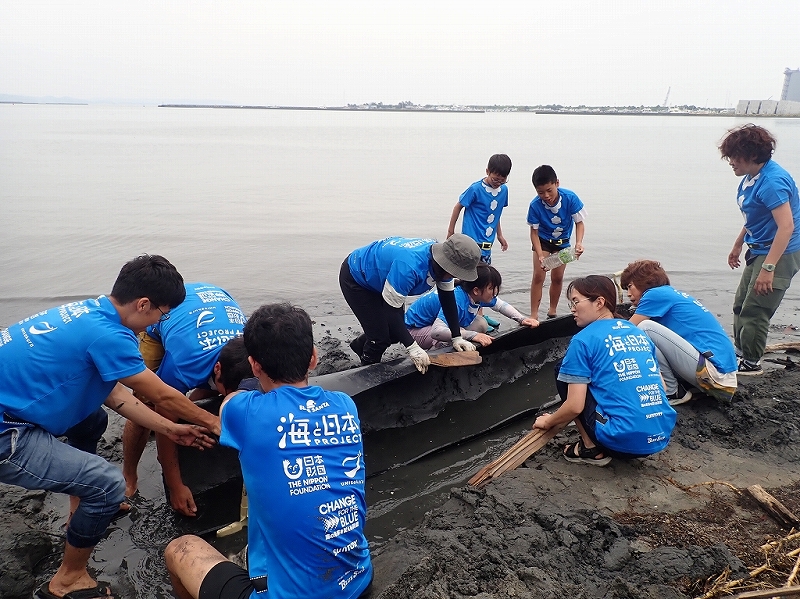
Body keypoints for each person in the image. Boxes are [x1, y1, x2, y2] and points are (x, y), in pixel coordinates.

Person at [0, 255, 218, 599]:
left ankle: (78, 505)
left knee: (93, 419)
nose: (159, 322)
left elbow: (115, 396)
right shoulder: (111, 336)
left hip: (11, 404)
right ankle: (67, 581)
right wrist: (214, 422)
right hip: (7, 432)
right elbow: (162, 394)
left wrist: (170, 429)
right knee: (106, 485)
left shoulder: (89, 311)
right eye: (161, 314)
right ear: (143, 304)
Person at [165, 303, 373, 599]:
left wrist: (248, 385)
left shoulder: (243, 411)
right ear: (313, 358)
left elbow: (228, 401)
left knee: (180, 548)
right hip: (358, 579)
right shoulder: (345, 405)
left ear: (255, 365)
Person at [122, 282, 250, 517]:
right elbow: (164, 411)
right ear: (217, 369)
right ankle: (129, 477)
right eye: (227, 391)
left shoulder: (257, 359)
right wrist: (176, 486)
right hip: (164, 319)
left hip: (214, 299)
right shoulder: (182, 366)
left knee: (210, 393)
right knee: (145, 407)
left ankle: (194, 405)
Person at [533, 275, 677, 466]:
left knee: (564, 369)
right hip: (660, 435)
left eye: (576, 301)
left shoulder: (582, 340)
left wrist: (549, 421)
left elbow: (575, 406)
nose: (572, 309)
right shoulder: (637, 332)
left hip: (621, 443)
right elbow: (663, 387)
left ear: (599, 302)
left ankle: (590, 448)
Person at [719, 124, 800, 375]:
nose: (730, 162)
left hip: (781, 252)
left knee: (755, 309)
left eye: (735, 156)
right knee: (740, 303)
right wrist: (738, 243)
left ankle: (752, 363)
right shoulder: (751, 177)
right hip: (759, 247)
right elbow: (755, 217)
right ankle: (740, 353)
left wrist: (769, 268)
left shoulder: (772, 182)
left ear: (753, 155)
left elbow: (786, 227)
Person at [340, 234, 481, 373]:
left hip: (383, 278)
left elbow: (448, 300)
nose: (456, 276)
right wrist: (413, 348)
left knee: (396, 332)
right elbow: (391, 312)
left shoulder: (443, 265)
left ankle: (359, 345)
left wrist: (456, 337)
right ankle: (367, 372)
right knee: (379, 338)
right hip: (357, 276)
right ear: (447, 265)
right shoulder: (409, 268)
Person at [620, 260, 738, 406]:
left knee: (645, 328)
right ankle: (681, 386)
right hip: (723, 374)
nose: (628, 294)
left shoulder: (654, 294)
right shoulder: (670, 294)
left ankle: (672, 391)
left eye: (630, 287)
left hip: (716, 375)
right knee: (648, 332)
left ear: (644, 281)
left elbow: (627, 331)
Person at [405, 263, 539, 349]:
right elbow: (436, 331)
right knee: (456, 336)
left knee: (481, 323)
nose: (495, 292)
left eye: (496, 287)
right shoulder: (457, 300)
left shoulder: (475, 294)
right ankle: (436, 356)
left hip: (435, 324)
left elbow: (500, 305)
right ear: (476, 290)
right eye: (491, 288)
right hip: (414, 330)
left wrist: (522, 319)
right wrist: (472, 335)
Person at [527, 165, 587, 319]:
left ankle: (552, 311)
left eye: (549, 190)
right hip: (543, 241)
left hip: (563, 242)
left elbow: (579, 223)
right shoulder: (535, 205)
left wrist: (578, 242)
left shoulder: (570, 198)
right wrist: (540, 255)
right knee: (538, 276)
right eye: (541, 192)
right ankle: (534, 315)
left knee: (558, 277)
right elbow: (534, 232)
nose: (546, 196)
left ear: (557, 183)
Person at [447, 153, 513, 264]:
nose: (498, 183)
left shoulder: (504, 190)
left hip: (487, 248)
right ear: (487, 171)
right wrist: (450, 232)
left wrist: (500, 235)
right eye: (495, 179)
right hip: (469, 245)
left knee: (485, 274)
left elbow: (495, 214)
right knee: (467, 273)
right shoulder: (475, 189)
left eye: (502, 180)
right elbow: (458, 206)